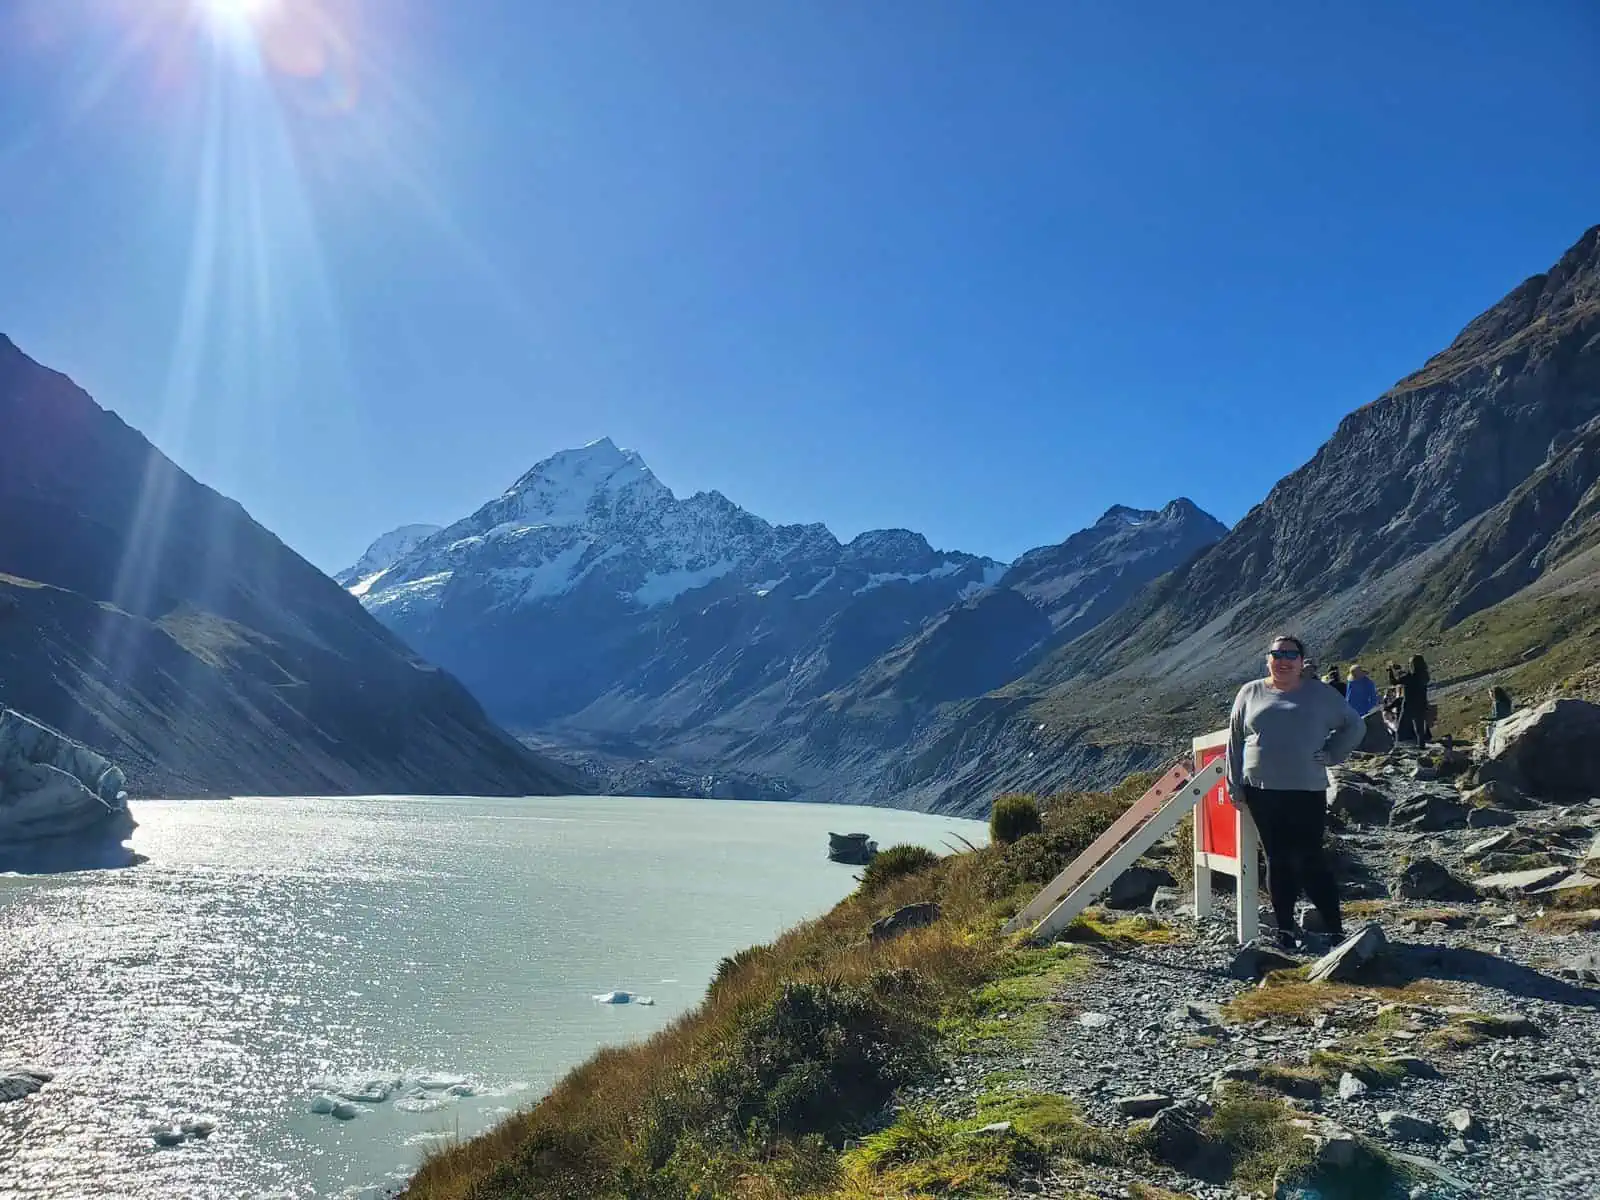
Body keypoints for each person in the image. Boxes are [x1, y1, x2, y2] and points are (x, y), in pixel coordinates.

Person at [1226, 635, 1365, 950]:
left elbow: (1355, 726)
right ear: (1268, 659)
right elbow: (1235, 739)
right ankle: (1285, 930)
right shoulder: (1250, 692)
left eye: (1291, 654)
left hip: (1306, 788)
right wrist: (1234, 785)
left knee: (1311, 858)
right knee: (1278, 859)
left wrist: (1331, 755)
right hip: (1261, 790)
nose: (1284, 660)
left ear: (1302, 661)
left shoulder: (1321, 694)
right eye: (1277, 654)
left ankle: (1334, 929)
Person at [1388, 656, 1431, 747]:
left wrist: (1390, 671)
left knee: (1400, 729)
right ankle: (1421, 747)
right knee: (1419, 730)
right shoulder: (1425, 676)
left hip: (1409, 706)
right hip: (1421, 705)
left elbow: (1394, 682)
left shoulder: (1409, 677)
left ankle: (1397, 747)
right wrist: (1401, 670)